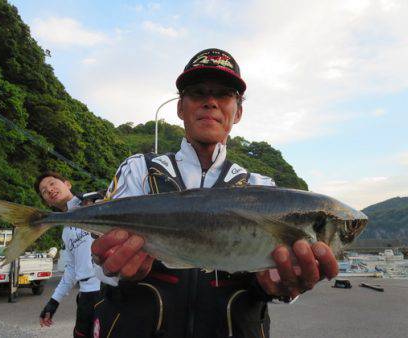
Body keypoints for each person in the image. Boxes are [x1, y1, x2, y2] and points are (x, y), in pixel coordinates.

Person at [91, 48, 339, 338]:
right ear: (180, 107)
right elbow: (96, 262)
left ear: (238, 111)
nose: (210, 102)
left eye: (224, 94)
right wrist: (113, 269)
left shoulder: (263, 189)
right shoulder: (138, 170)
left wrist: (282, 287)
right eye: (197, 93)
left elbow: (277, 274)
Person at [35, 171, 104, 337]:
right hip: (85, 296)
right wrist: (53, 301)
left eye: (52, 183)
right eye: (44, 191)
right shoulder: (66, 232)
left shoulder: (93, 204)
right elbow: (72, 269)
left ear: (68, 184)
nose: (49, 190)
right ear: (47, 202)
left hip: (106, 291)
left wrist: (102, 199)